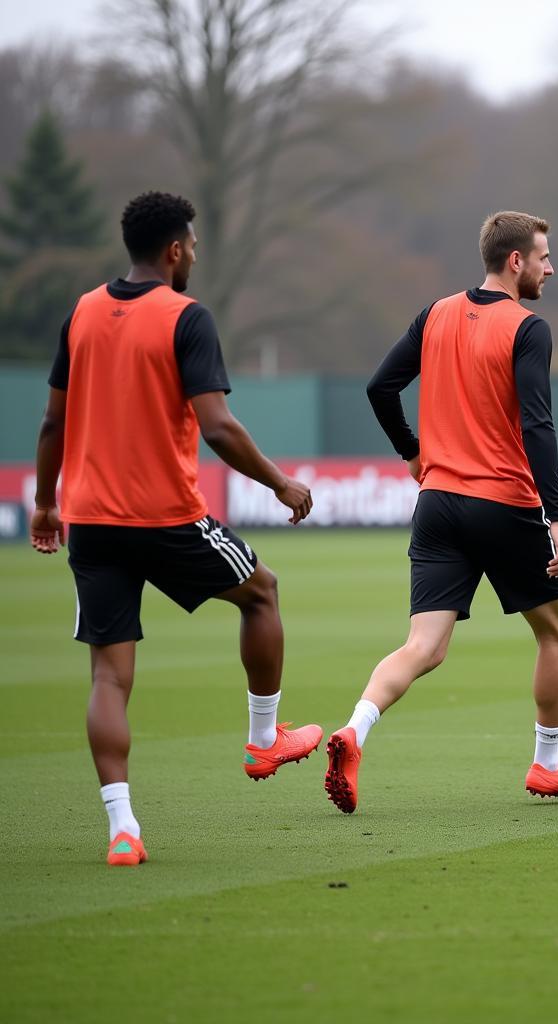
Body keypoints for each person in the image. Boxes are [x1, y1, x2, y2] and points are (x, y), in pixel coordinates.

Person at [30, 191, 322, 866]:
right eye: (191, 244)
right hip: (166, 516)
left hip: (92, 521)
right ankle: (263, 738)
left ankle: (123, 829)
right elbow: (217, 424)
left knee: (109, 676)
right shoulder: (186, 317)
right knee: (262, 593)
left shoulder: (82, 312)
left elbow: (52, 422)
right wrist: (280, 481)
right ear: (174, 249)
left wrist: (45, 502)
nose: (194, 254)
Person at [325, 210, 558, 813]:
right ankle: (548, 765)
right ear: (516, 262)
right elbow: (537, 424)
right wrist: (556, 515)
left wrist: (412, 453)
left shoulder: (436, 313)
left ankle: (354, 729)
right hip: (505, 504)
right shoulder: (529, 328)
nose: (551, 268)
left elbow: (379, 387)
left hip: (438, 505)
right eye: (545, 257)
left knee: (425, 645)